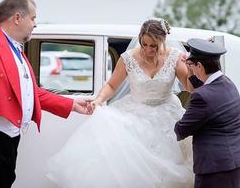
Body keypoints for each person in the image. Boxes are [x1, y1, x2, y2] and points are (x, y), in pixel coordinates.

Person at [47, 18, 194, 188]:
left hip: (168, 117)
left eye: (154, 46)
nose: (148, 50)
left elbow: (190, 87)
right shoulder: (128, 58)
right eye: (144, 44)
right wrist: (99, 100)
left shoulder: (175, 57)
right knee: (129, 168)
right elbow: (111, 85)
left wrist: (190, 69)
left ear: (162, 41)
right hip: (135, 116)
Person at [0, 0, 90, 188]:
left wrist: (71, 104)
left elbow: (30, 92)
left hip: (10, 136)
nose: (35, 24)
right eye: (33, 18)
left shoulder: (15, 48)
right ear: (17, 18)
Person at [174, 38, 240, 188]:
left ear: (200, 66)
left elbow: (182, 129)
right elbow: (208, 92)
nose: (191, 67)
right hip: (233, 164)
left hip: (213, 171)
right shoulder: (228, 84)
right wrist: (190, 71)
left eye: (192, 65)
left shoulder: (202, 96)